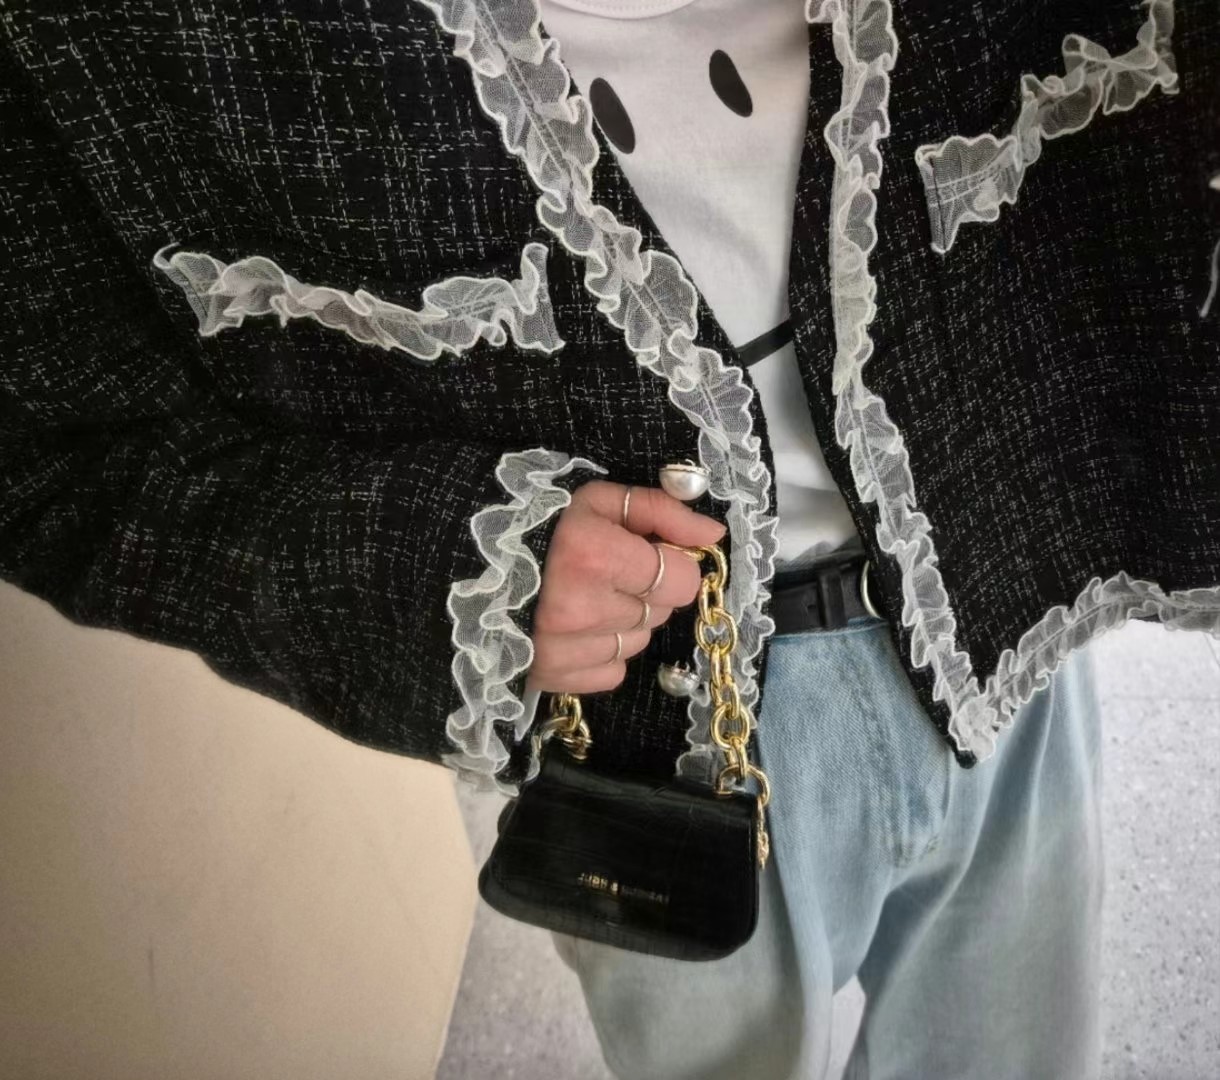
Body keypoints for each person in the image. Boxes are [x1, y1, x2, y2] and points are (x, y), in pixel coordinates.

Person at [1, 1, 1216, 1078]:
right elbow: (48, 450)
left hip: (999, 616)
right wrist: (438, 566)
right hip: (646, 737)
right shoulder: (107, 41)